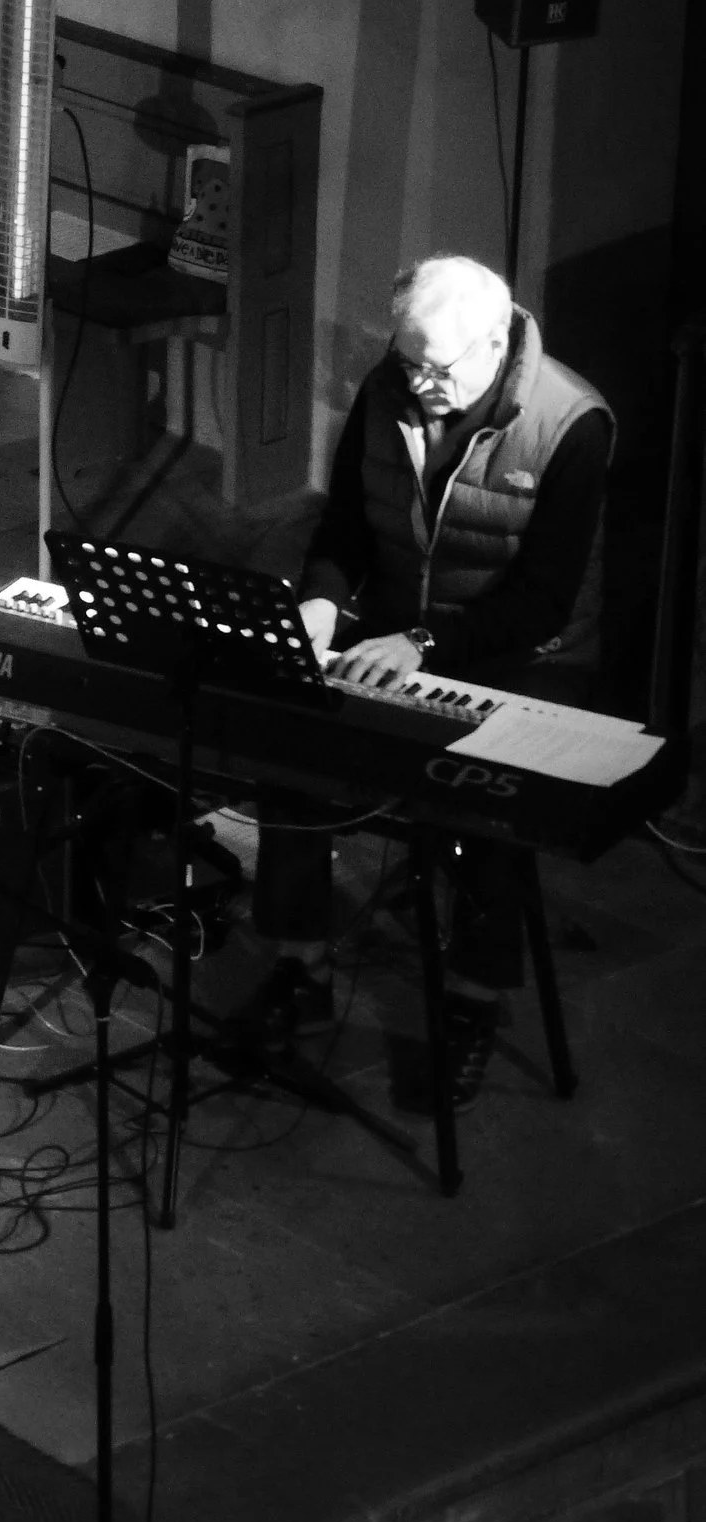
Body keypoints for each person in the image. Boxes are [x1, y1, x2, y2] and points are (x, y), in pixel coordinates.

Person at [253, 254, 612, 1110]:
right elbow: (344, 526)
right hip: (400, 634)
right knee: (289, 744)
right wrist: (320, 603)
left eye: (437, 368)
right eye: (407, 360)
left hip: (526, 656)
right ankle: (299, 968)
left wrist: (421, 641)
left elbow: (541, 600)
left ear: (495, 341)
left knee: (485, 796)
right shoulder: (389, 387)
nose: (418, 382)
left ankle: (472, 1003)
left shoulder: (573, 421)